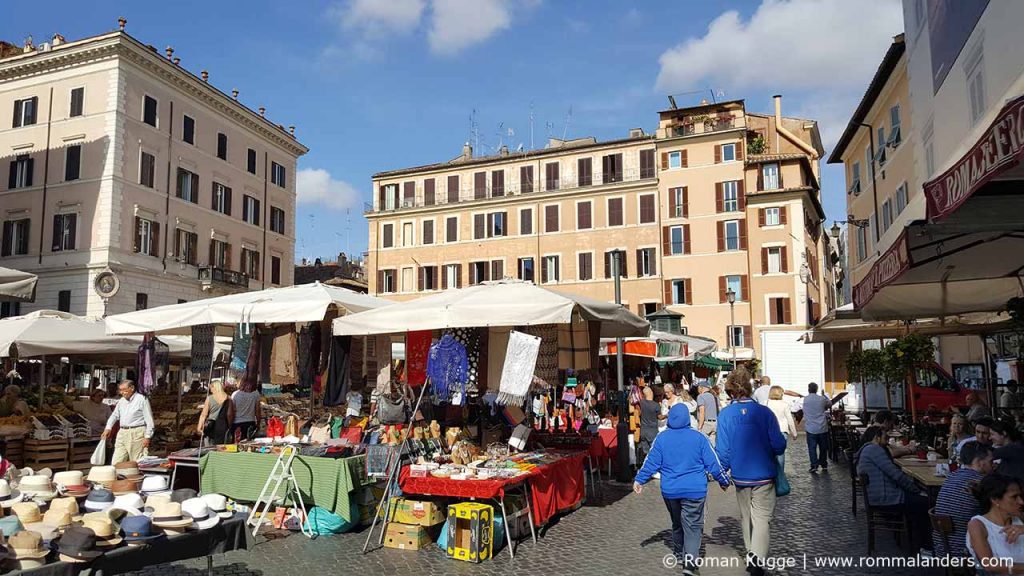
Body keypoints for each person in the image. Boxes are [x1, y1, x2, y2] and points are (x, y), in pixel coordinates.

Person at [634, 404, 731, 575]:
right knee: (693, 525)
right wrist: (723, 480)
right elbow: (713, 462)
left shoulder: (662, 438)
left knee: (677, 522)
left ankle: (679, 553)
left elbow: (651, 461)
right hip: (695, 489)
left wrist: (639, 479)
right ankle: (690, 563)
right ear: (688, 418)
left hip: (670, 490)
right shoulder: (699, 438)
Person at [715, 368, 787, 576]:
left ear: (731, 392)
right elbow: (779, 444)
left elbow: (723, 450)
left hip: (740, 474)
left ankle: (751, 554)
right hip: (764, 473)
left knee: (746, 517)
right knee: (762, 518)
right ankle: (757, 560)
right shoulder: (764, 413)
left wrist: (723, 472)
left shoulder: (726, 415)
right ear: (749, 388)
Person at [856, 425, 932, 553]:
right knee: (926, 504)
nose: (888, 438)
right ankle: (926, 547)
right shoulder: (875, 450)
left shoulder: (868, 449)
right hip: (887, 498)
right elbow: (895, 475)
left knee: (919, 502)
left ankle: (917, 541)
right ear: (877, 437)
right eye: (885, 436)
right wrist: (916, 490)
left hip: (878, 496)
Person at [933, 441, 994, 558]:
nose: (994, 465)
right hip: (964, 551)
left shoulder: (952, 475)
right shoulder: (981, 482)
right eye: (991, 462)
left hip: (942, 548)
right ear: (979, 463)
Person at [966, 474, 1024, 571]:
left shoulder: (1020, 517)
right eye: (1014, 497)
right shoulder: (978, 525)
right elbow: (989, 564)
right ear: (995, 499)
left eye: (1020, 496)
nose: (1021, 502)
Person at [101, 380, 154, 464]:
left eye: (124, 390)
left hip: (137, 433)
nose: (122, 392)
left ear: (132, 388)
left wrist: (147, 436)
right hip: (122, 432)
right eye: (120, 390)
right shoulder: (122, 401)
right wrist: (108, 427)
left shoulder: (141, 399)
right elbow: (114, 415)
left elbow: (149, 419)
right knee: (116, 461)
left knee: (136, 462)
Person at [802, 382, 831, 473]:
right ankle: (823, 464)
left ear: (808, 389)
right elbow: (829, 404)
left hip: (810, 428)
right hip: (822, 427)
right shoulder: (822, 399)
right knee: (823, 447)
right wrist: (824, 395)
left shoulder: (805, 399)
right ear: (816, 389)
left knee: (812, 448)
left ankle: (814, 465)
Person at [197, 380, 235, 446]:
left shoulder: (209, 398)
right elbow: (229, 414)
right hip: (223, 425)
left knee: (209, 447)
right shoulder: (229, 398)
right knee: (222, 448)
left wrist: (199, 427)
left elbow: (204, 414)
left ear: (215, 387)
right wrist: (229, 425)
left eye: (211, 387)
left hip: (211, 425)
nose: (210, 389)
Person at [637, 386, 660, 465]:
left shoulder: (641, 403)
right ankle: (653, 468)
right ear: (651, 393)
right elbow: (659, 417)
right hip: (652, 431)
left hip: (643, 431)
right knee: (654, 451)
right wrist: (667, 415)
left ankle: (646, 467)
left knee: (645, 452)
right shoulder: (656, 405)